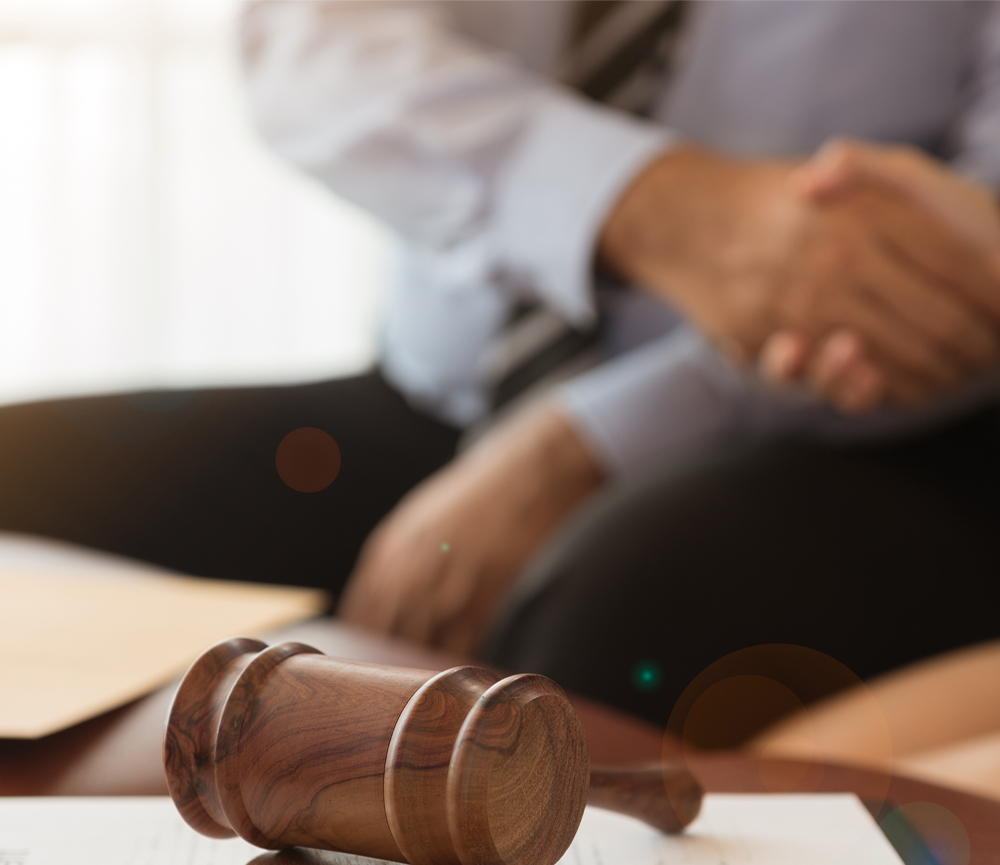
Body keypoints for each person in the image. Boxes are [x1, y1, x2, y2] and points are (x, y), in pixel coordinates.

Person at [2, 1, 999, 733]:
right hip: (437, 401)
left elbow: (967, 262)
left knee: (597, 624)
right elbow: (309, 44)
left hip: (839, 437)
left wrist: (584, 442)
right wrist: (645, 203)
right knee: (21, 481)